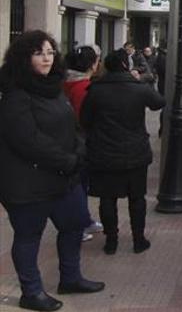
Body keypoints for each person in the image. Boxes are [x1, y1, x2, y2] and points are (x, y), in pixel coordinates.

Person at [0, 30, 105, 312]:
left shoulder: (54, 88)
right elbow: (27, 139)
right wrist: (67, 160)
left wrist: (80, 149)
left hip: (63, 178)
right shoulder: (15, 94)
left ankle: (70, 278)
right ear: (24, 58)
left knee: (73, 225)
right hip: (28, 181)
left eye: (49, 52)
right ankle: (31, 292)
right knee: (29, 236)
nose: (46, 58)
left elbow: (73, 126)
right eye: (38, 53)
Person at [80, 49, 165, 255]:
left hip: (104, 153)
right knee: (137, 198)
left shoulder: (95, 90)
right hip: (135, 153)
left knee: (107, 199)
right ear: (126, 66)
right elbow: (158, 102)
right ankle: (138, 239)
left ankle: (111, 241)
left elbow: (85, 120)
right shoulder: (138, 88)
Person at [63, 46, 104, 243]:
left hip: (70, 140)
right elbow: (85, 118)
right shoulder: (84, 88)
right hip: (80, 141)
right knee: (79, 184)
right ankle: (78, 223)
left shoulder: (65, 83)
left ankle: (83, 219)